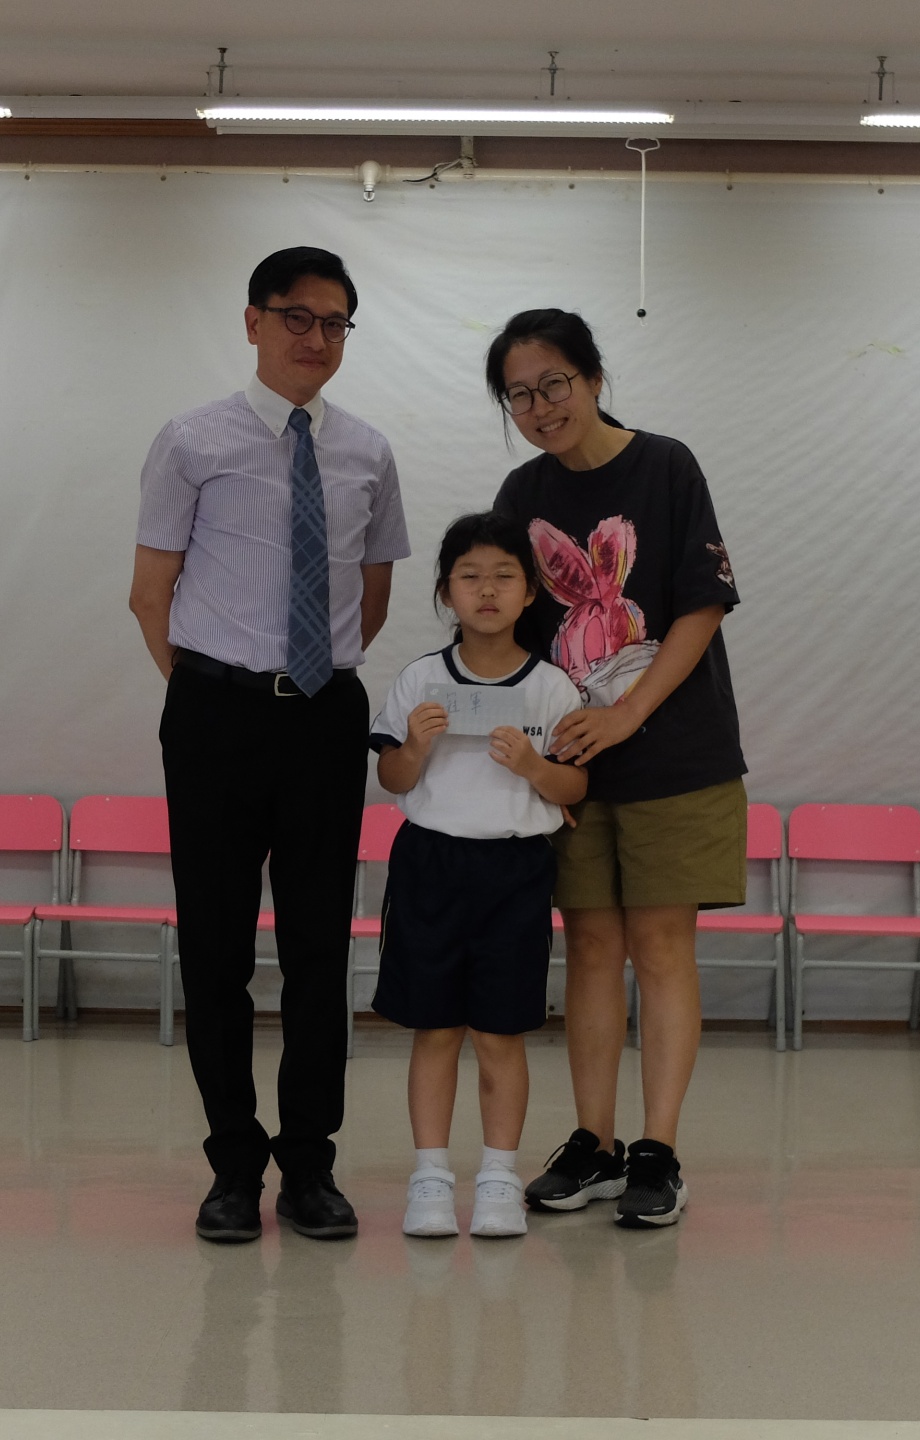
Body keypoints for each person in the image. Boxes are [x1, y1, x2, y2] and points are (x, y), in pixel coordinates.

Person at [130, 247, 409, 1244]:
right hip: (215, 713)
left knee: (318, 951)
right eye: (298, 317)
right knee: (215, 951)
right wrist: (217, 692)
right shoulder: (190, 440)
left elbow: (371, 597)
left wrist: (305, 683)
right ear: (254, 322)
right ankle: (231, 1167)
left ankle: (311, 1167)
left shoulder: (369, 452)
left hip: (324, 717)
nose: (316, 338)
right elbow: (149, 594)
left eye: (335, 323)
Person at [488, 308, 745, 1228]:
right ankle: (593, 1142)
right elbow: (513, 626)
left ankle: (657, 1151)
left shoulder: (666, 466)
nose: (540, 407)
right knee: (590, 946)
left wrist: (628, 713)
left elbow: (701, 606)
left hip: (676, 754)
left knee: (662, 947)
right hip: (572, 764)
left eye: (554, 383)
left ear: (594, 378)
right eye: (519, 395)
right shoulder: (521, 492)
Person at [369, 511, 587, 1238]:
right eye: (470, 577)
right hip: (431, 864)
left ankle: (498, 1176)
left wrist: (533, 766)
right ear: (446, 593)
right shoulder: (422, 678)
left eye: (503, 577)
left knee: (500, 1033)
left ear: (530, 592)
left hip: (515, 871)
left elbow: (576, 788)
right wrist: (414, 747)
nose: (487, 591)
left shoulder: (552, 687)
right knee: (434, 1029)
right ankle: (430, 1178)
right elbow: (392, 777)